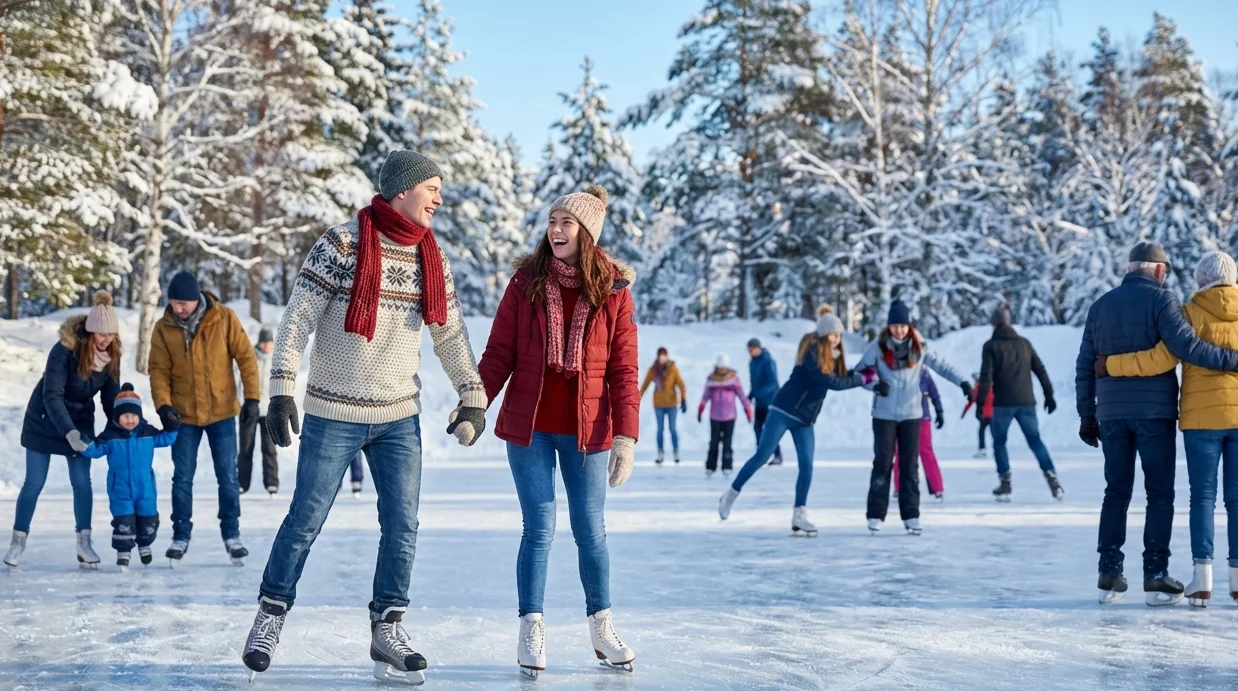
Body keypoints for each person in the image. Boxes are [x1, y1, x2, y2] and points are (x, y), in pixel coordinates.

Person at [243, 150, 489, 685]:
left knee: (402, 526)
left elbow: (450, 333)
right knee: (305, 519)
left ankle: (388, 626)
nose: (439, 198)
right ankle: (270, 615)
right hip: (334, 410)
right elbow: (297, 320)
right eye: (432, 188)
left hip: (398, 415)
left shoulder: (432, 258)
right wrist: (281, 389)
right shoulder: (341, 245)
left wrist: (472, 392)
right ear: (403, 190)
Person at [476, 184, 639, 678]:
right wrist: (474, 404)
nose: (556, 230)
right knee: (539, 528)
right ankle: (531, 626)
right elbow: (499, 353)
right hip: (530, 428)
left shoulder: (614, 291)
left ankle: (601, 627)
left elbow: (624, 370)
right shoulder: (525, 282)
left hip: (589, 432)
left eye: (567, 222)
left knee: (591, 530)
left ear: (586, 232)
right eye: (552, 221)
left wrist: (626, 437)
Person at [1077, 242, 1238, 606]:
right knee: (1160, 493)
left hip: (1112, 413)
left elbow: (1085, 363)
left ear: (1130, 268)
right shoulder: (1163, 302)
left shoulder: (1100, 306)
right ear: (1160, 271)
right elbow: (1186, 347)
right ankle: (1155, 575)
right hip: (1154, 413)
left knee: (1116, 492)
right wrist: (1233, 360)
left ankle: (1109, 573)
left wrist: (1086, 413)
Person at [719, 307, 876, 535]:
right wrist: (862, 379)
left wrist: (866, 376)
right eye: (832, 334)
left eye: (839, 335)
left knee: (806, 464)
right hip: (783, 411)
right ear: (823, 334)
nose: (836, 339)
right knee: (763, 455)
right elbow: (832, 382)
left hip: (805, 419)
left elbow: (841, 376)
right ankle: (730, 495)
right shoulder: (812, 352)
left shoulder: (833, 355)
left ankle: (799, 515)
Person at [149, 270, 259, 566]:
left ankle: (232, 533)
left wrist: (252, 398)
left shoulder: (224, 318)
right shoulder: (163, 327)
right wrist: (163, 406)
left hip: (221, 412)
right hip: (184, 415)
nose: (178, 308)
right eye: (174, 302)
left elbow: (246, 358)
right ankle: (180, 534)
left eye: (183, 303)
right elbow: (158, 370)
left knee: (228, 476)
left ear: (196, 299)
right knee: (182, 477)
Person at [4, 291, 121, 571]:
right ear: (90, 332)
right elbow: (52, 395)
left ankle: (84, 543)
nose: (106, 339)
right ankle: (18, 541)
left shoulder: (111, 356)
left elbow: (110, 398)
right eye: (101, 334)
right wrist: (69, 432)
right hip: (44, 419)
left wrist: (118, 425)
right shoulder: (64, 350)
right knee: (34, 482)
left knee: (82, 482)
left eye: (111, 334)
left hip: (80, 420)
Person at [856, 300, 970, 536]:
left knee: (909, 465)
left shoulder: (919, 346)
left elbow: (942, 366)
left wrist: (963, 382)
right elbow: (860, 372)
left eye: (903, 326)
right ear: (889, 326)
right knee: (883, 463)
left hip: (912, 415)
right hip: (884, 415)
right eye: (895, 326)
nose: (899, 330)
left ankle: (911, 516)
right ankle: (875, 514)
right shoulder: (877, 348)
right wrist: (874, 385)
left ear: (909, 326)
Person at [80, 384, 178, 571]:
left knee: (148, 519)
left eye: (134, 415)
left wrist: (172, 426)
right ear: (117, 417)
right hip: (120, 489)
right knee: (124, 521)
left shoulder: (147, 433)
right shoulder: (110, 436)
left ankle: (144, 544)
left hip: (145, 488)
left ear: (139, 416)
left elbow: (167, 439)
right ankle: (123, 551)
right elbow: (96, 450)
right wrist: (84, 443)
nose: (130, 419)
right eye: (125, 416)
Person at [977, 304, 1062, 502]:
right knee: (1034, 440)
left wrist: (980, 403)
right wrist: (1049, 394)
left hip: (1002, 404)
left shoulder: (990, 346)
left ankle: (1005, 483)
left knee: (999, 442)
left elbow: (985, 377)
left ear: (994, 325)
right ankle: (1052, 478)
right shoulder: (1024, 343)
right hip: (1026, 402)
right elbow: (1040, 369)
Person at [892, 369, 945, 501]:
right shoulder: (897, 370)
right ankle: (899, 487)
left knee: (926, 451)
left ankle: (937, 488)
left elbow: (934, 392)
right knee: (900, 453)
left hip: (922, 419)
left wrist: (939, 411)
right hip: (902, 419)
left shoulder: (923, 373)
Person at [237, 325, 278, 496]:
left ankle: (271, 483)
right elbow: (239, 380)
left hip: (269, 410)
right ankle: (242, 483)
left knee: (269, 448)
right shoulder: (250, 357)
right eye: (264, 342)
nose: (267, 346)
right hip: (249, 408)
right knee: (246, 447)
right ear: (259, 343)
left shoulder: (276, 359)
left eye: (269, 343)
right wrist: (241, 403)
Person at [698, 354, 753, 478]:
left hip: (730, 416)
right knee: (714, 442)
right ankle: (710, 466)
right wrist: (701, 407)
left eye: (724, 368)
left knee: (727, 443)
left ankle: (727, 466)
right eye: (720, 368)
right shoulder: (711, 379)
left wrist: (747, 409)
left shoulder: (733, 379)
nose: (722, 370)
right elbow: (705, 396)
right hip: (715, 416)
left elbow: (741, 395)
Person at [639, 347, 687, 464]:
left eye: (664, 356)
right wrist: (637, 399)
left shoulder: (672, 368)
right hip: (658, 404)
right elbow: (645, 385)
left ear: (666, 357)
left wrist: (683, 399)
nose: (662, 358)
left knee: (672, 429)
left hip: (671, 404)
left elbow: (681, 385)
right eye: (660, 356)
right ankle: (660, 453)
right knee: (660, 430)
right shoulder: (653, 370)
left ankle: (676, 452)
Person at [747, 338, 783, 465]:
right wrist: (751, 395)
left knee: (770, 430)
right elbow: (755, 382)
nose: (750, 352)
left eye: (752, 349)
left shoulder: (768, 361)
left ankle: (777, 455)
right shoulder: (752, 362)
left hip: (771, 401)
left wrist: (758, 393)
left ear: (758, 348)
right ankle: (761, 454)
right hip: (759, 403)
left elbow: (772, 383)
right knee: (757, 428)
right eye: (749, 350)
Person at [964, 372, 995, 458]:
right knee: (993, 432)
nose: (974, 383)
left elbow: (971, 400)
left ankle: (982, 449)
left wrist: (965, 411)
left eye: (975, 381)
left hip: (985, 415)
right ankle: (997, 448)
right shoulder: (990, 388)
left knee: (981, 431)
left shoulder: (978, 389)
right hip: (992, 414)